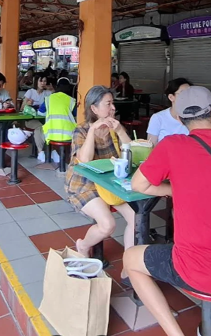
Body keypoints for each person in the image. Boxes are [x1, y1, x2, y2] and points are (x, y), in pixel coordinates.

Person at [124, 86, 211, 336]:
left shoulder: (172, 145)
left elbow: (138, 184)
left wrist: (175, 189)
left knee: (131, 259)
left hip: (200, 272)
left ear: (180, 118)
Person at [64, 86, 136, 280]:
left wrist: (120, 131)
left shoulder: (115, 128)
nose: (113, 108)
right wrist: (93, 131)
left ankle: (129, 266)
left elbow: (132, 153)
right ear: (94, 109)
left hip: (109, 182)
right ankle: (83, 246)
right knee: (107, 225)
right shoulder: (81, 129)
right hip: (84, 183)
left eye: (113, 103)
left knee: (136, 219)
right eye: (108, 104)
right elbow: (85, 160)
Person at [41, 79, 77, 164]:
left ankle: (49, 157)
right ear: (68, 88)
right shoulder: (71, 100)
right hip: (69, 135)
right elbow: (75, 115)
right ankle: (68, 159)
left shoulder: (48, 99)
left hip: (50, 134)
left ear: (56, 87)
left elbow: (40, 112)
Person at [146, 78, 191, 145]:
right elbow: (151, 147)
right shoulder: (158, 118)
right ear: (171, 97)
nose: (188, 97)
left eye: (190, 93)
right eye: (183, 93)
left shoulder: (196, 119)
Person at [22, 73, 53, 162]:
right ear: (36, 82)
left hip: (44, 119)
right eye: (41, 81)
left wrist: (51, 89)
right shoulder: (30, 92)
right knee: (40, 128)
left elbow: (56, 97)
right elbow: (22, 108)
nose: (43, 83)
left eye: (45, 81)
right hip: (30, 119)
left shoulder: (48, 93)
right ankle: (41, 152)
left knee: (42, 128)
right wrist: (27, 104)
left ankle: (42, 153)